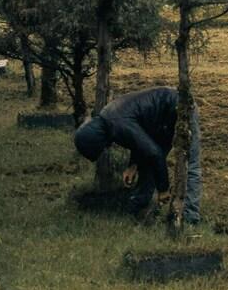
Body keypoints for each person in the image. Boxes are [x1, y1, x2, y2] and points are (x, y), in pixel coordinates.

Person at [72, 85, 200, 224]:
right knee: (148, 160)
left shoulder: (116, 124)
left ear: (95, 142)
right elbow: (138, 139)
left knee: (190, 164)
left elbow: (154, 153)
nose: (105, 149)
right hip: (159, 121)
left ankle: (190, 217)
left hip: (179, 106)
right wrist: (132, 165)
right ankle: (139, 206)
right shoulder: (108, 120)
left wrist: (163, 189)